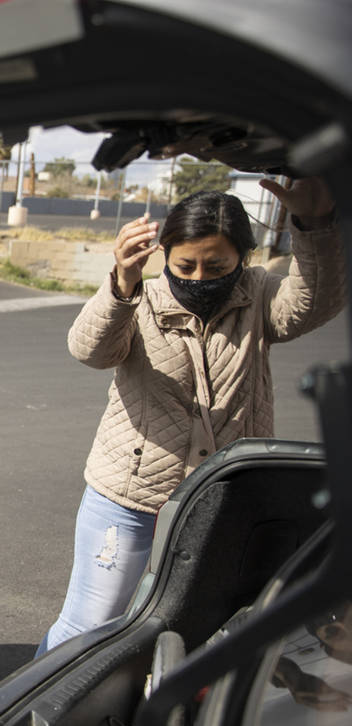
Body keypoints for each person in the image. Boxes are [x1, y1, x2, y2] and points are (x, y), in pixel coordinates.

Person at [36, 177, 345, 657]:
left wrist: (316, 227)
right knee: (86, 628)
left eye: (217, 265)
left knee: (199, 628)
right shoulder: (141, 299)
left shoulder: (259, 295)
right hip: (129, 498)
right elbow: (88, 350)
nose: (200, 277)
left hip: (224, 501)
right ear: (164, 254)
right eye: (185, 265)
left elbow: (318, 301)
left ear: (243, 257)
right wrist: (121, 282)